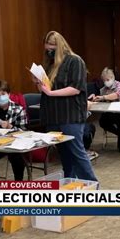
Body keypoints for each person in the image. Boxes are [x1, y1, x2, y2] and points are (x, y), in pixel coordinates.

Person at [34, 30, 97, 181]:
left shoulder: (75, 61)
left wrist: (51, 93)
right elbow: (45, 89)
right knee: (64, 154)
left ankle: (92, 187)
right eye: (47, 48)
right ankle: (71, 184)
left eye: (51, 48)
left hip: (70, 116)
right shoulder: (50, 63)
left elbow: (75, 88)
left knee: (77, 152)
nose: (49, 51)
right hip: (53, 116)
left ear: (59, 46)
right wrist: (38, 83)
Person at [89, 67, 120, 152]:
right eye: (104, 80)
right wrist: (94, 97)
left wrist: (103, 97)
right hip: (111, 112)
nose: (106, 82)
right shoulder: (103, 89)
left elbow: (116, 95)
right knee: (102, 121)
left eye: (107, 79)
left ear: (113, 78)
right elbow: (100, 98)